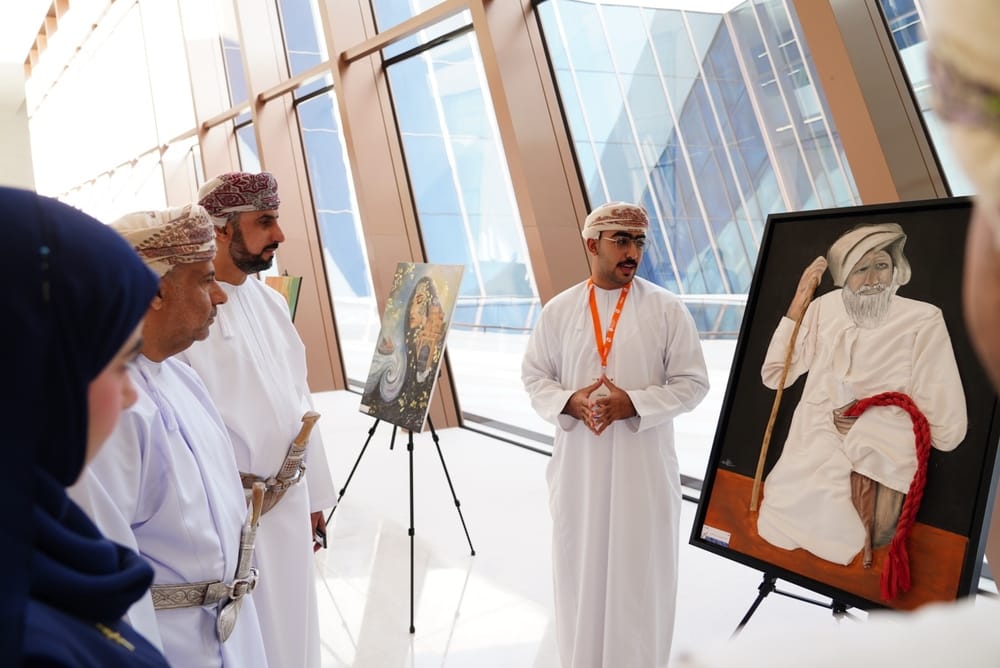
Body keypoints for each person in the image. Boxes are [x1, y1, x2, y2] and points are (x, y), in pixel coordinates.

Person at [68, 205, 269, 667]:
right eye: (205, 279)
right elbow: (107, 569)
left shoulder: (183, 377)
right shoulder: (109, 406)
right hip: (172, 647)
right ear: (156, 291)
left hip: (232, 630)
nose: (219, 295)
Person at [521, 201, 710, 667]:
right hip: (579, 473)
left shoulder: (666, 309)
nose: (633, 253)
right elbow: (535, 376)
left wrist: (635, 404)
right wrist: (570, 401)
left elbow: (693, 383)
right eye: (621, 241)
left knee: (639, 579)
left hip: (642, 473)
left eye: (639, 242)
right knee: (579, 572)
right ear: (592, 244)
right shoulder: (559, 311)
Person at [3, 186, 169, 666]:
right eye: (121, 363)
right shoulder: (30, 645)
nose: (131, 393)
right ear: (37, 371)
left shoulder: (43, 537)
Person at [179, 171, 336, 668]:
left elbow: (300, 399)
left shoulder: (271, 301)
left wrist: (316, 497)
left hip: (290, 504)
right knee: (250, 638)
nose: (279, 234)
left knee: (297, 628)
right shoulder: (187, 313)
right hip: (231, 513)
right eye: (265, 221)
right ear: (220, 228)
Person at [757, 225, 967, 568]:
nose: (872, 280)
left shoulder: (923, 319)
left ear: (896, 268)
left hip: (872, 459)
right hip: (805, 454)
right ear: (844, 275)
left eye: (881, 265)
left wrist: (869, 423)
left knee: (846, 538)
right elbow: (775, 375)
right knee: (775, 523)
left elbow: (948, 429)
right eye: (860, 269)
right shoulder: (824, 307)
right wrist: (799, 302)